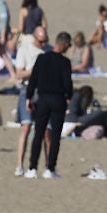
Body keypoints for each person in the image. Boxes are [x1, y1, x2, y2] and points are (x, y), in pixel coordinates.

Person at [21, 30, 73, 178]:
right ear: (63, 45)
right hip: (58, 100)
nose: (68, 49)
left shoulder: (41, 58)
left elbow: (33, 80)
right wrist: (69, 96)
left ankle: (32, 168)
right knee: (55, 136)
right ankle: (50, 168)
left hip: (43, 99)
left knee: (38, 133)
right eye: (68, 46)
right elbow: (67, 84)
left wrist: (29, 97)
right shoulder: (65, 62)